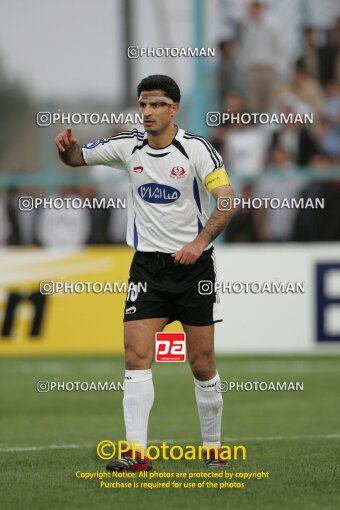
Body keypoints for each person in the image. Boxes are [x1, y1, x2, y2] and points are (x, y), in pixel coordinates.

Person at [54, 75, 236, 471]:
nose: (147, 112)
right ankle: (136, 455)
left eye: (156, 105)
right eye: (142, 104)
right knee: (136, 355)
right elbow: (77, 159)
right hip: (147, 269)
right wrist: (67, 151)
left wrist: (198, 243)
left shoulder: (197, 150)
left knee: (202, 363)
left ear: (174, 109)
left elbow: (226, 201)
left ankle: (213, 449)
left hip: (194, 268)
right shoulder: (126, 145)